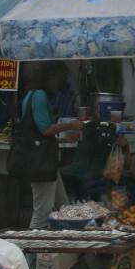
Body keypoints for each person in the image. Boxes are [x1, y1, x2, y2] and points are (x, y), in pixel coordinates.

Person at [21, 61, 84, 229]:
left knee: (63, 206)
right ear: (50, 77)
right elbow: (45, 129)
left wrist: (64, 139)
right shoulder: (39, 96)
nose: (59, 83)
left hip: (46, 161)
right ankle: (32, 245)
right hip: (42, 163)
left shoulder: (32, 95)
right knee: (42, 214)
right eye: (59, 78)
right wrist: (70, 125)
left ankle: (68, 240)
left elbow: (39, 132)